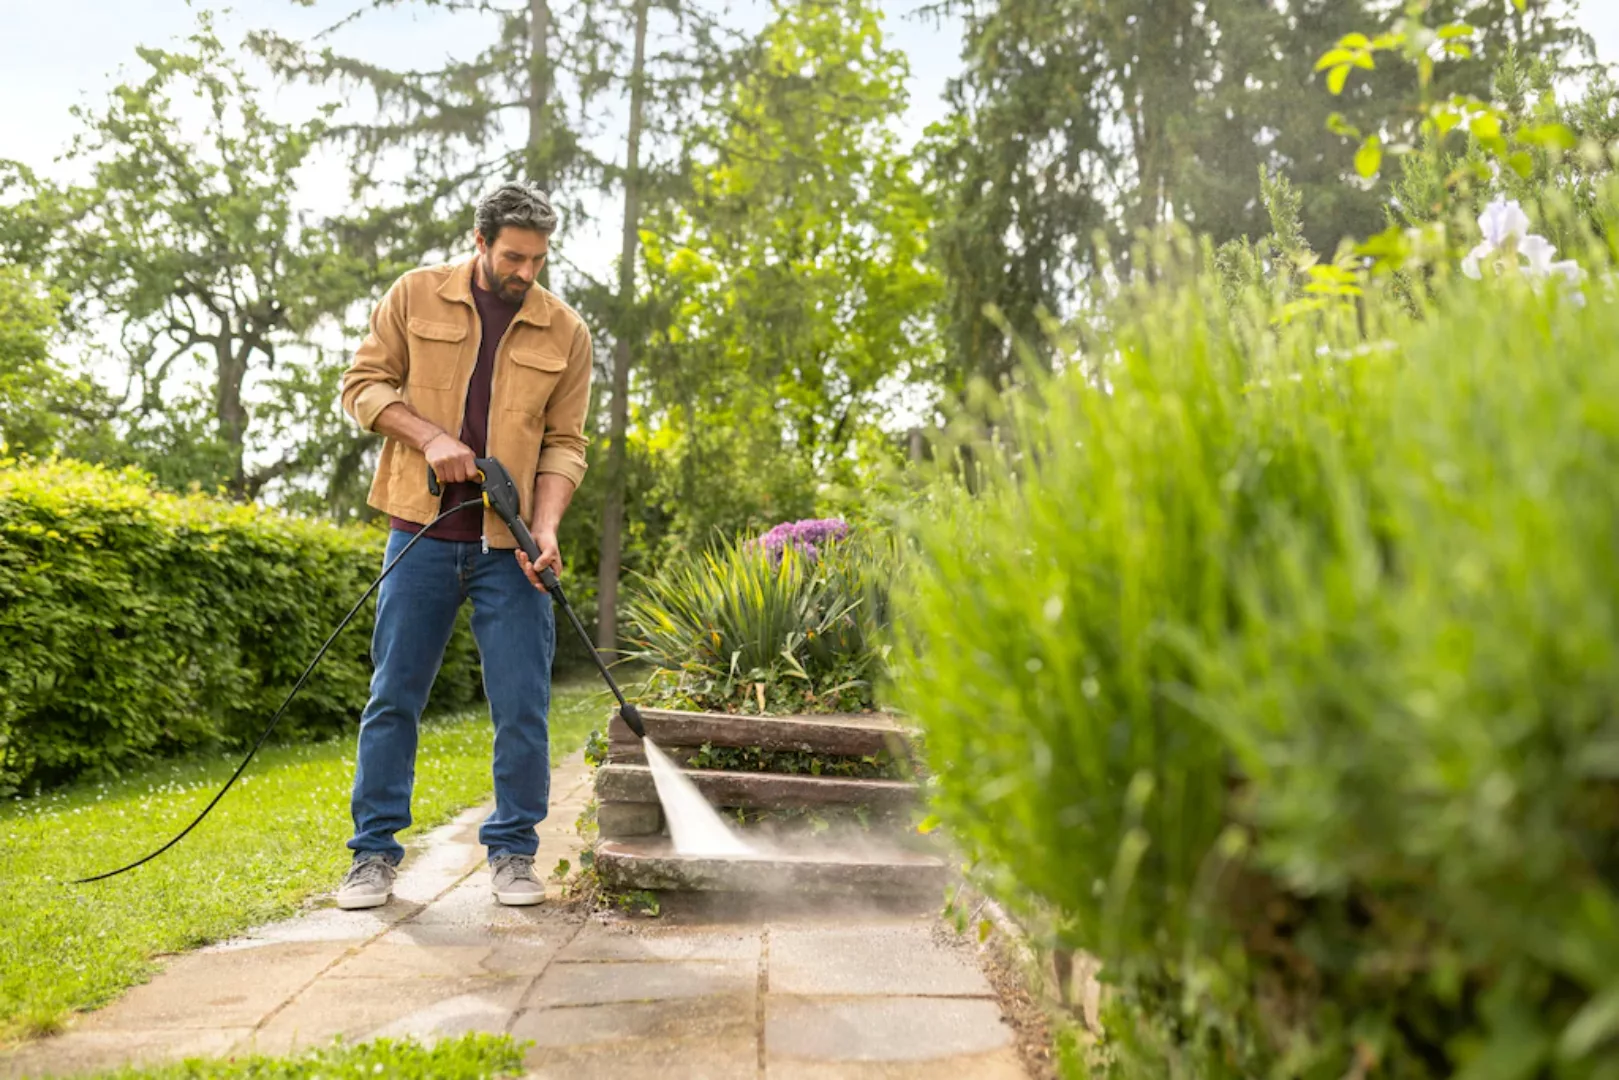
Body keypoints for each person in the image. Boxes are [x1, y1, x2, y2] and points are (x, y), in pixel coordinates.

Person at [332, 182, 592, 908]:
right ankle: (373, 855)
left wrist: (543, 527)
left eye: (539, 259)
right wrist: (431, 436)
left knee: (522, 704)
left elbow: (565, 444)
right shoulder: (415, 296)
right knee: (393, 697)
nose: (526, 273)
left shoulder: (564, 331)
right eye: (513, 256)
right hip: (418, 536)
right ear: (479, 242)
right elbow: (361, 386)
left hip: (508, 550)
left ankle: (513, 853)